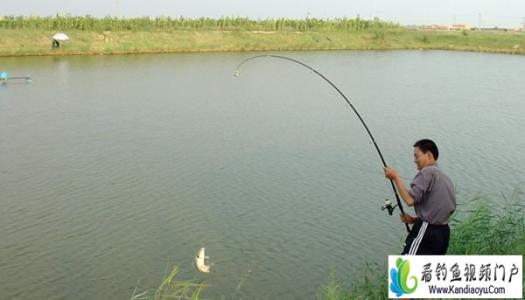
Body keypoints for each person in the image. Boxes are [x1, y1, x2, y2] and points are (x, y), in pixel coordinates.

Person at [384, 139, 456, 255]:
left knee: (405, 268)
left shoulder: (426, 172)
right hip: (443, 233)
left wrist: (395, 177)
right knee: (427, 271)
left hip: (426, 231)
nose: (415, 160)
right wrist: (414, 220)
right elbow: (442, 212)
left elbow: (409, 200)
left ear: (429, 155)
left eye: (417, 156)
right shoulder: (445, 179)